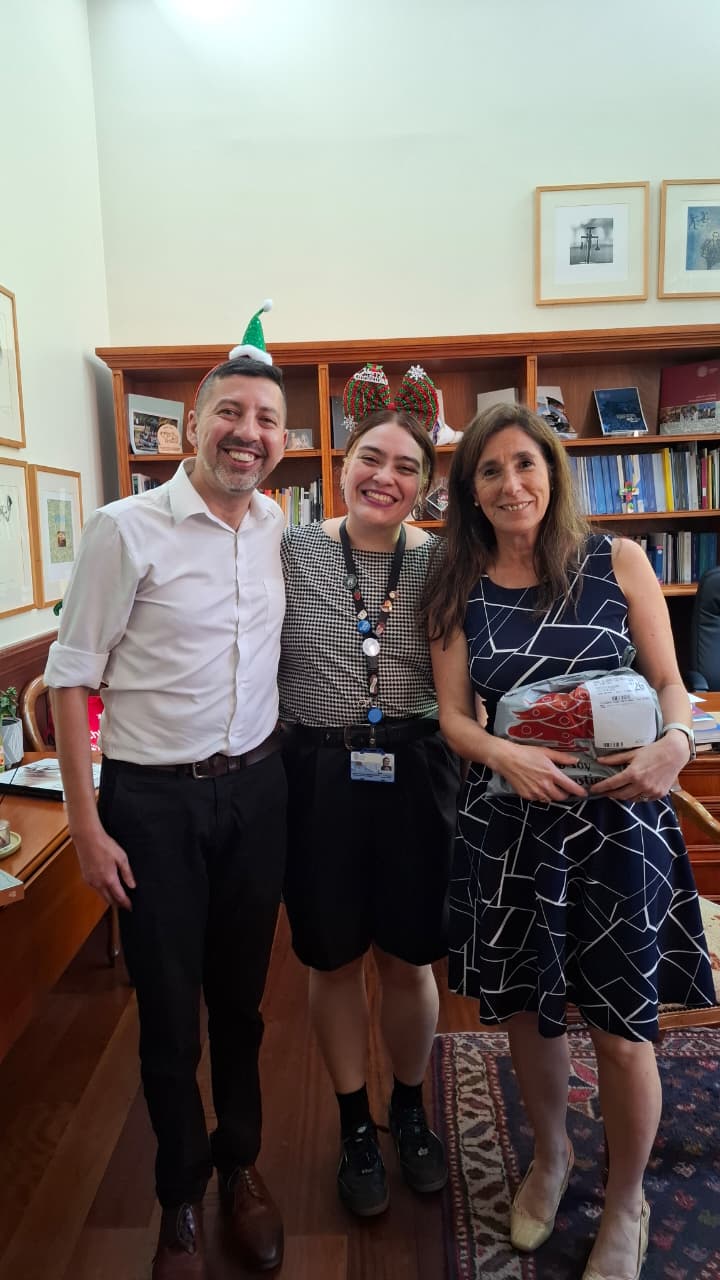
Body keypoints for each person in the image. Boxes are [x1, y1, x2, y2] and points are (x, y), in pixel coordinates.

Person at [424, 403, 715, 1280]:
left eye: (526, 463)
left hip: (622, 828)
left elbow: (671, 684)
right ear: (470, 491)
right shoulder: (457, 584)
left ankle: (627, 1200)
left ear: (552, 471)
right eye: (490, 470)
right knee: (529, 1011)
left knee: (624, 1032)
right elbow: (453, 718)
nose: (511, 484)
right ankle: (550, 1159)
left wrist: (675, 743)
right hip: (515, 830)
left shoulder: (616, 559)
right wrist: (502, 753)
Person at [45, 325, 289, 1279]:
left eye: (266, 419)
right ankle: (179, 1196)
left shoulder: (276, 528)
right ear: (192, 424)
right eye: (229, 411)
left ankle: (241, 1167)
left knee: (242, 1005)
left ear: (283, 440)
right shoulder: (125, 529)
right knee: (167, 1014)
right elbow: (71, 677)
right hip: (151, 805)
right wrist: (85, 824)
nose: (247, 431)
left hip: (256, 792)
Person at [278, 363, 461, 1218]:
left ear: (426, 482)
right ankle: (356, 1123)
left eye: (407, 466)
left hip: (417, 771)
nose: (385, 477)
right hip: (318, 774)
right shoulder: (290, 550)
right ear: (343, 464)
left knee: (409, 957)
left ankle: (410, 1109)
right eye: (371, 459)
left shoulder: (448, 563)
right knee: (332, 956)